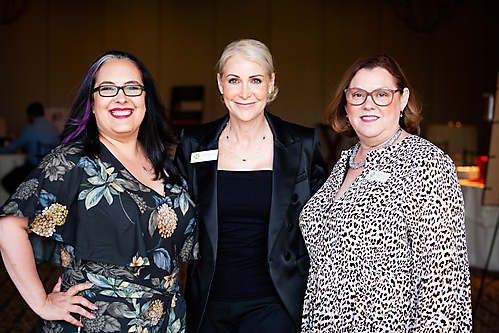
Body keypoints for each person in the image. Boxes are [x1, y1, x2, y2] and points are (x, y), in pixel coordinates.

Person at [0, 51, 197, 333]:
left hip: (166, 318)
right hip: (100, 321)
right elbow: (9, 226)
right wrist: (41, 302)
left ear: (146, 99)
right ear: (92, 104)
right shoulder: (74, 160)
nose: (121, 97)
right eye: (107, 89)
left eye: (132, 87)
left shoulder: (163, 162)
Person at [299, 55, 472, 331]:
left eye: (381, 94)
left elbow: (442, 284)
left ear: (402, 99)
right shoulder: (345, 162)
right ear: (346, 102)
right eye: (358, 94)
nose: (368, 104)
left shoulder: (425, 163)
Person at [175, 39, 328, 333]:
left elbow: (325, 222)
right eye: (234, 80)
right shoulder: (193, 143)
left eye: (255, 80)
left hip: (276, 304)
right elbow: (169, 217)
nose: (244, 92)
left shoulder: (302, 144)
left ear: (270, 84)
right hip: (207, 304)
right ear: (221, 84)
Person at [0, 102, 59, 194]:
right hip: (51, 167)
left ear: (31, 115)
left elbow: (13, 147)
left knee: (7, 181)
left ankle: (21, 200)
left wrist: (2, 149)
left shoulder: (30, 129)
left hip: (34, 168)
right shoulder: (53, 128)